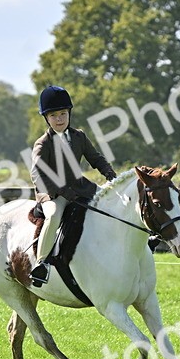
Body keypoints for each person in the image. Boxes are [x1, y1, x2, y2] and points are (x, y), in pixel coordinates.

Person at [29, 85, 117, 286]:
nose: (59, 119)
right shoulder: (43, 143)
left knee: (111, 202)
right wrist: (61, 191)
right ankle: (41, 264)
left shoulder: (79, 137)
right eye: (53, 115)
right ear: (47, 118)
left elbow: (95, 158)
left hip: (79, 187)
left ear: (69, 113)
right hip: (52, 193)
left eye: (63, 114)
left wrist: (109, 173)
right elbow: (38, 174)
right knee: (53, 216)